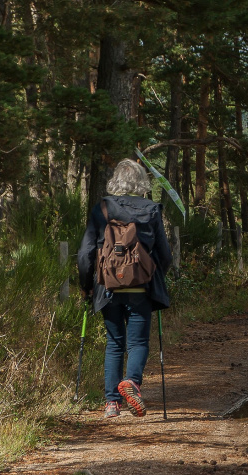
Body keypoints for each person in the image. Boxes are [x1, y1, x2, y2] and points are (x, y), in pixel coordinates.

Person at [77, 159, 172, 419]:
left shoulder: (102, 209)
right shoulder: (152, 209)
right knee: (139, 342)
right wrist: (156, 277)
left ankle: (111, 404)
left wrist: (86, 288)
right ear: (141, 182)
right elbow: (165, 255)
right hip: (141, 288)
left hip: (108, 289)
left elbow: (85, 254)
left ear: (116, 180)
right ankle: (131, 381)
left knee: (115, 343)